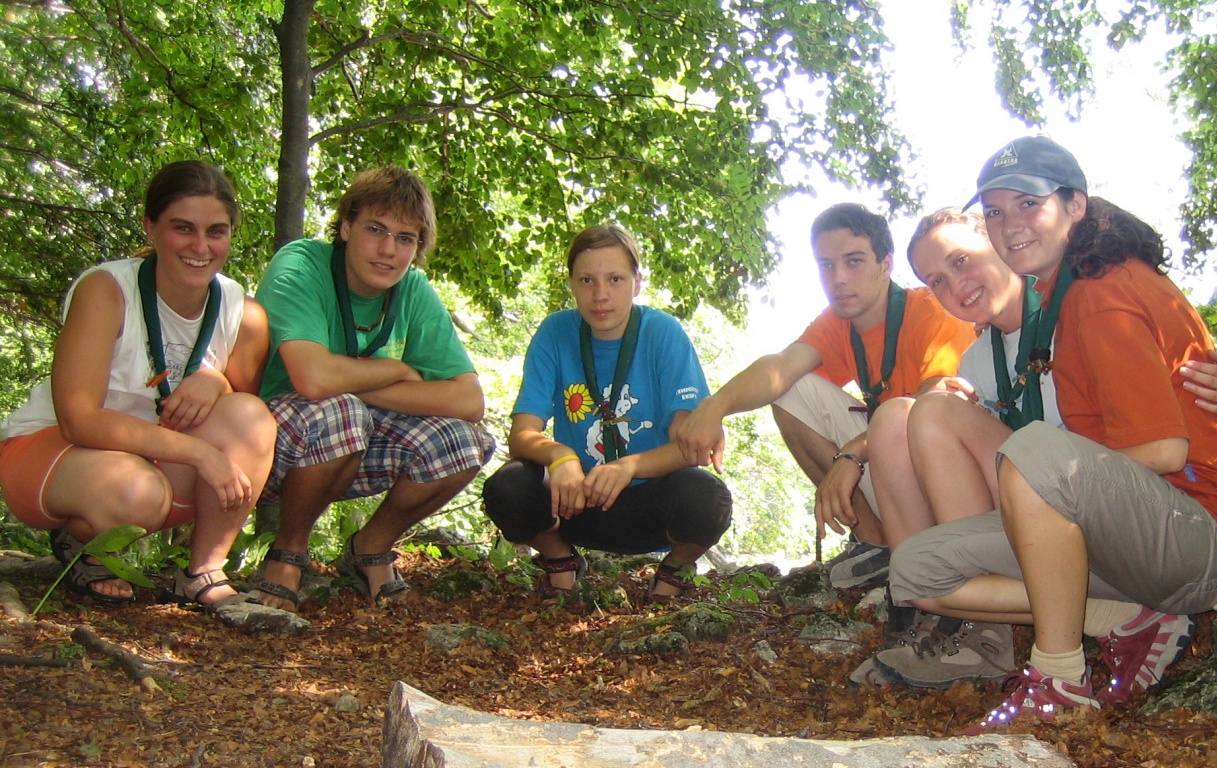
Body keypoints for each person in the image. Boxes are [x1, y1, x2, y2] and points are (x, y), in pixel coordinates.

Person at [886, 136, 1217, 725]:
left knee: (1034, 452)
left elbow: (1167, 448)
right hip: (1123, 538)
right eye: (995, 210)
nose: (1010, 223)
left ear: (1075, 206)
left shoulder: (1100, 292)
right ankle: (1131, 625)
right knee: (913, 569)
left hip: (1200, 537)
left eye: (1027, 204)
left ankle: (1059, 680)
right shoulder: (1059, 296)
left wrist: (1032, 474)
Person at [0, 161, 275, 615]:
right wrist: (201, 454)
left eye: (216, 231)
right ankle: (84, 545)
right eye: (182, 228)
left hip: (150, 459)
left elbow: (247, 417)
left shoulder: (241, 311)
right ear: (150, 228)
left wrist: (216, 379)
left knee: (250, 419)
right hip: (51, 449)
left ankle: (204, 572)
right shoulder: (107, 290)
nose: (201, 246)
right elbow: (78, 419)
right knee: (138, 493)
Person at [671, 203, 975, 590]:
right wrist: (715, 406)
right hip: (890, 471)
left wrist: (854, 451)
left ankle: (932, 559)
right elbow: (780, 367)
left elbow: (938, 406)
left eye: (854, 261)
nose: (839, 279)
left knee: (904, 418)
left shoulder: (931, 312)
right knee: (792, 389)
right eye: (826, 265)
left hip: (949, 486)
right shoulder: (839, 323)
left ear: (885, 264)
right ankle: (873, 544)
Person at [252, 167, 495, 608]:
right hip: (266, 449)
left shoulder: (413, 290)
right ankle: (288, 552)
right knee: (341, 412)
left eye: (406, 238)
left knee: (466, 442)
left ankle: (370, 547)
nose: (388, 250)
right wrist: (397, 370)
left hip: (354, 442)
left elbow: (468, 400)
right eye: (375, 230)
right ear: (346, 226)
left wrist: (355, 381)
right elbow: (312, 378)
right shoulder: (302, 264)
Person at [481, 223, 731, 602]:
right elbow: (522, 434)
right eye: (586, 280)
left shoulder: (662, 333)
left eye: (615, 279)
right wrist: (560, 457)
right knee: (508, 487)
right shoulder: (555, 333)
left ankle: (674, 571)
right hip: (574, 501)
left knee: (707, 497)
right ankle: (559, 558)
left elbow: (691, 446)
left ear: (637, 282)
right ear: (571, 284)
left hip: (649, 504)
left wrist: (627, 467)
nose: (600, 295)